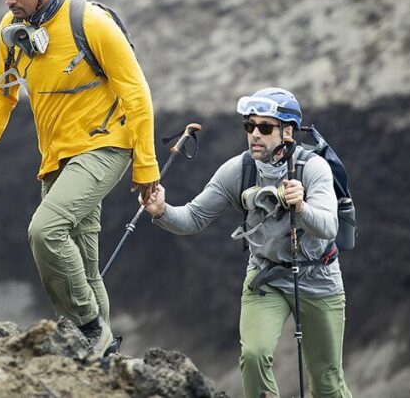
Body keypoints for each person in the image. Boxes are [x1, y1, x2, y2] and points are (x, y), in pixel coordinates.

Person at [0, 0, 160, 357]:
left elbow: (137, 95)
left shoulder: (91, 23)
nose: (8, 1)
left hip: (106, 146)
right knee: (85, 266)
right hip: (56, 158)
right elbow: (2, 91)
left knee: (45, 231)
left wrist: (147, 169)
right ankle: (105, 358)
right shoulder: (11, 31)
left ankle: (87, 330)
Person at [143, 88, 352, 398]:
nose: (254, 134)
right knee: (254, 356)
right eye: (249, 126)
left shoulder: (314, 169)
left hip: (319, 279)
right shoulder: (237, 170)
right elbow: (193, 218)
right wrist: (161, 211)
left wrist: (302, 208)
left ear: (288, 132)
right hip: (265, 276)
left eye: (265, 128)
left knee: (326, 381)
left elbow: (328, 228)